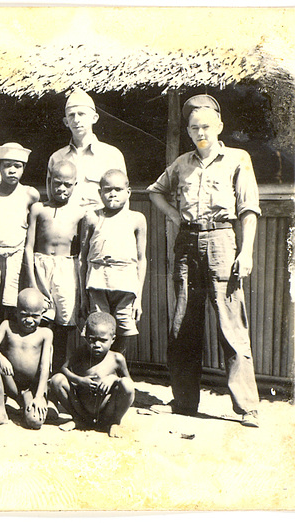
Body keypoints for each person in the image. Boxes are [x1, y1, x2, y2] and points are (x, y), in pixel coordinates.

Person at [147, 94, 261, 428]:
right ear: (188, 130)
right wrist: (174, 216)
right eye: (195, 127)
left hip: (223, 241)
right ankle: (183, 401)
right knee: (183, 322)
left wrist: (247, 251)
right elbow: (155, 191)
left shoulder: (238, 159)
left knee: (231, 324)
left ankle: (247, 407)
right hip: (187, 243)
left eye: (207, 126)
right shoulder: (181, 164)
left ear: (220, 126)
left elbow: (249, 210)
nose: (201, 132)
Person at [0, 142, 40, 346]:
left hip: (17, 259)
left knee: (14, 305)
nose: (12, 170)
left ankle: (12, 348)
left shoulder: (30, 194)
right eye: (7, 165)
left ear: (23, 168)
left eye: (17, 166)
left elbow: (33, 229)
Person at [24, 159, 86, 372]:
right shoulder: (38, 209)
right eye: (56, 183)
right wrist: (33, 282)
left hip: (67, 269)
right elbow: (28, 247)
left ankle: (59, 372)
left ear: (74, 185)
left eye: (67, 185)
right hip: (40, 266)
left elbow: (82, 250)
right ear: (49, 181)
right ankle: (35, 371)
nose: (61, 188)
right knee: (39, 319)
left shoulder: (80, 213)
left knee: (64, 323)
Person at [80, 169, 147, 354]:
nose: (112, 194)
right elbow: (83, 259)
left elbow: (141, 260)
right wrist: (83, 296)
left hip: (126, 284)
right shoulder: (92, 217)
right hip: (97, 282)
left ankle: (117, 369)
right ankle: (98, 372)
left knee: (124, 327)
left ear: (129, 192)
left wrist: (138, 298)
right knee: (97, 327)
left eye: (118, 189)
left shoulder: (136, 219)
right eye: (107, 189)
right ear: (99, 192)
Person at [50, 312, 135, 437]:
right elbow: (64, 369)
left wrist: (113, 379)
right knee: (56, 380)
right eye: (92, 339)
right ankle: (79, 420)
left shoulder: (117, 358)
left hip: (106, 410)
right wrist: (80, 380)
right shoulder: (81, 352)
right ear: (86, 337)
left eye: (102, 340)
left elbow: (129, 385)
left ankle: (114, 422)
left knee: (126, 384)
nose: (97, 345)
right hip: (81, 407)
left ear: (113, 339)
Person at [0, 288, 53, 429]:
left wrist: (38, 396)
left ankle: (28, 405)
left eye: (35, 316)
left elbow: (45, 366)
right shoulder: (7, 326)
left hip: (30, 389)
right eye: (24, 315)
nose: (29, 320)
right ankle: (1, 412)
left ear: (42, 314)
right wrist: (2, 359)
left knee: (35, 421)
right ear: (16, 312)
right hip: (11, 382)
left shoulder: (45, 333)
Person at [47, 89, 126, 208]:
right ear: (66, 122)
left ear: (94, 118)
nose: (76, 120)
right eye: (71, 115)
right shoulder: (57, 157)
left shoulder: (112, 155)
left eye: (81, 114)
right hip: (67, 223)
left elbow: (123, 198)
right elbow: (51, 199)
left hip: (100, 222)